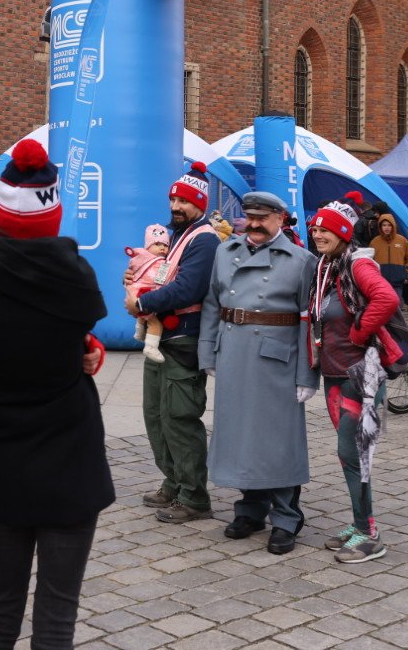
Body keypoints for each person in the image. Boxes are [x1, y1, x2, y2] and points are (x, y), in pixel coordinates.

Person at [0, 139, 113, 650]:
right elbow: (71, 331)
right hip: (69, 460)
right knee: (57, 620)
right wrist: (86, 346)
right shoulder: (74, 280)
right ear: (52, 214)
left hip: (0, 459)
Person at [199, 192, 317, 556]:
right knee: (241, 437)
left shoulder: (301, 260)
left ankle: (286, 518)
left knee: (278, 441)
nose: (254, 224)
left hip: (276, 359)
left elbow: (309, 322)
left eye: (262, 218)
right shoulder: (225, 251)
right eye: (249, 217)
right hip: (234, 352)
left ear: (280, 218)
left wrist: (307, 375)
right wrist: (208, 351)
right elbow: (212, 303)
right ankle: (250, 510)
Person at [307, 201, 401, 564]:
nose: (318, 235)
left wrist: (360, 332)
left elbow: (387, 298)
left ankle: (370, 535)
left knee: (353, 454)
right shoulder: (328, 267)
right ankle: (360, 523)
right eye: (315, 229)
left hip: (361, 375)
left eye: (326, 229)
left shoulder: (357, 264)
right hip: (336, 376)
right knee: (348, 455)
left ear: (344, 233)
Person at [128, 161, 219, 523]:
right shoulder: (178, 235)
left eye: (184, 202)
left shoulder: (205, 239)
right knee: (156, 417)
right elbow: (162, 276)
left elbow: (188, 288)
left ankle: (194, 497)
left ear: (200, 204)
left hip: (183, 341)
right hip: (163, 338)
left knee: (180, 419)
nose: (176, 207)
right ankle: (174, 481)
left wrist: (143, 302)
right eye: (174, 200)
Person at [126, 224, 171, 363]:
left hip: (135, 292)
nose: (162, 248)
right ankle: (151, 347)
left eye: (165, 245)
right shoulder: (158, 263)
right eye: (157, 244)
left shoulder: (140, 258)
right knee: (155, 323)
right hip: (143, 295)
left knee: (143, 317)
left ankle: (139, 332)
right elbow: (162, 279)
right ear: (148, 246)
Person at [368, 211, 408, 303]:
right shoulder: (374, 242)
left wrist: (407, 275)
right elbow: (369, 261)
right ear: (380, 226)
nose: (387, 228)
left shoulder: (402, 240)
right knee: (382, 306)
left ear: (393, 226)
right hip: (380, 282)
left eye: (389, 225)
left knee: (397, 305)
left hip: (398, 281)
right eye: (384, 225)